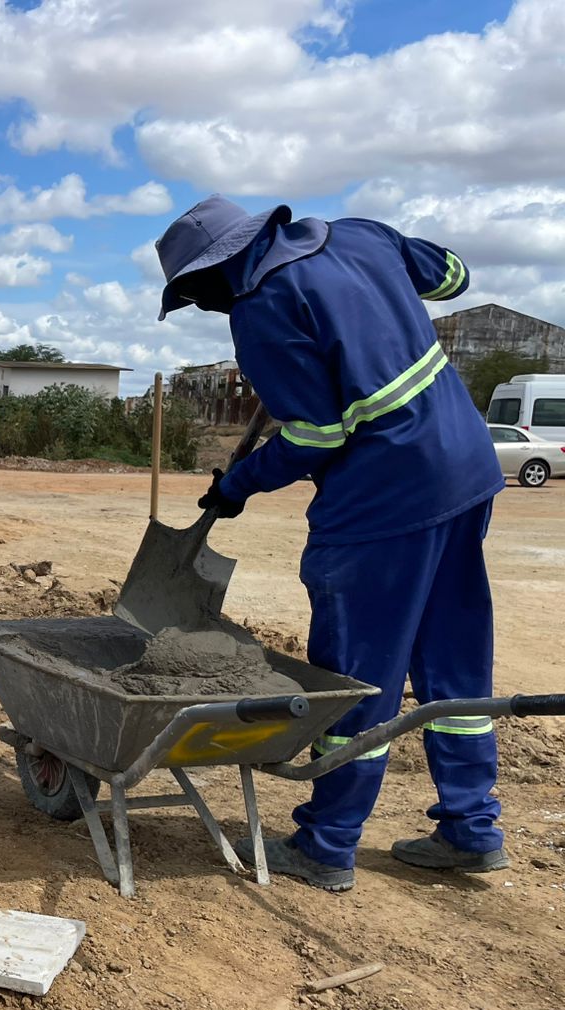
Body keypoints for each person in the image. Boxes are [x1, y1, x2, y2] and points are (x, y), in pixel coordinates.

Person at [156, 195, 507, 892]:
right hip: (465, 468)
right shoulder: (363, 236)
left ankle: (327, 843)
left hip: (384, 499)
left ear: (216, 273)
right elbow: (454, 275)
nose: (213, 309)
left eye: (201, 296)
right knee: (453, 657)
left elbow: (319, 435)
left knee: (356, 673)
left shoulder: (262, 310)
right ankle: (471, 827)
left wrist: (240, 485)